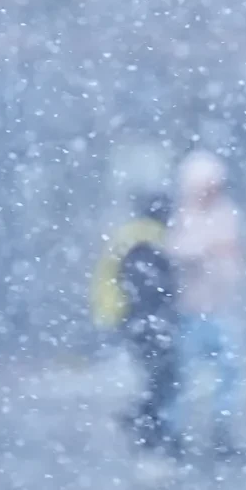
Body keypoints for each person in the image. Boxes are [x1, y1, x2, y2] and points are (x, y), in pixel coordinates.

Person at [91, 192, 184, 466]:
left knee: (156, 374)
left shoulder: (132, 234)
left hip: (125, 316)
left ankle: (144, 422)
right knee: (163, 375)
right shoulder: (147, 240)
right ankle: (147, 427)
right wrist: (159, 313)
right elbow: (148, 286)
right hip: (139, 318)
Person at [168, 150, 246, 456]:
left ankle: (221, 431)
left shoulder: (225, 214)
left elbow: (231, 260)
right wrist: (204, 251)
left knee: (229, 372)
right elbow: (177, 253)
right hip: (188, 310)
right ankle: (174, 434)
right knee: (183, 376)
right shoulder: (181, 214)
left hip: (219, 308)